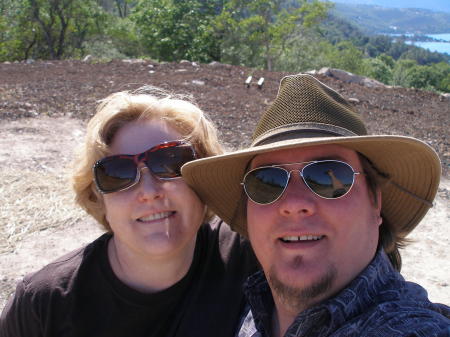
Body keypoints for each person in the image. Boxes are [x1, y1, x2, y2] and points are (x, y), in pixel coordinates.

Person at [182, 74, 450, 337]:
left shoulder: (413, 328)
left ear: (375, 201)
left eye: (328, 177)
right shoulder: (251, 303)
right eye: (268, 182)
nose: (295, 204)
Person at [0, 87, 257, 337]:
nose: (149, 191)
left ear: (204, 178)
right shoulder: (44, 305)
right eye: (117, 174)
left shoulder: (253, 252)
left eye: (170, 163)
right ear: (98, 197)